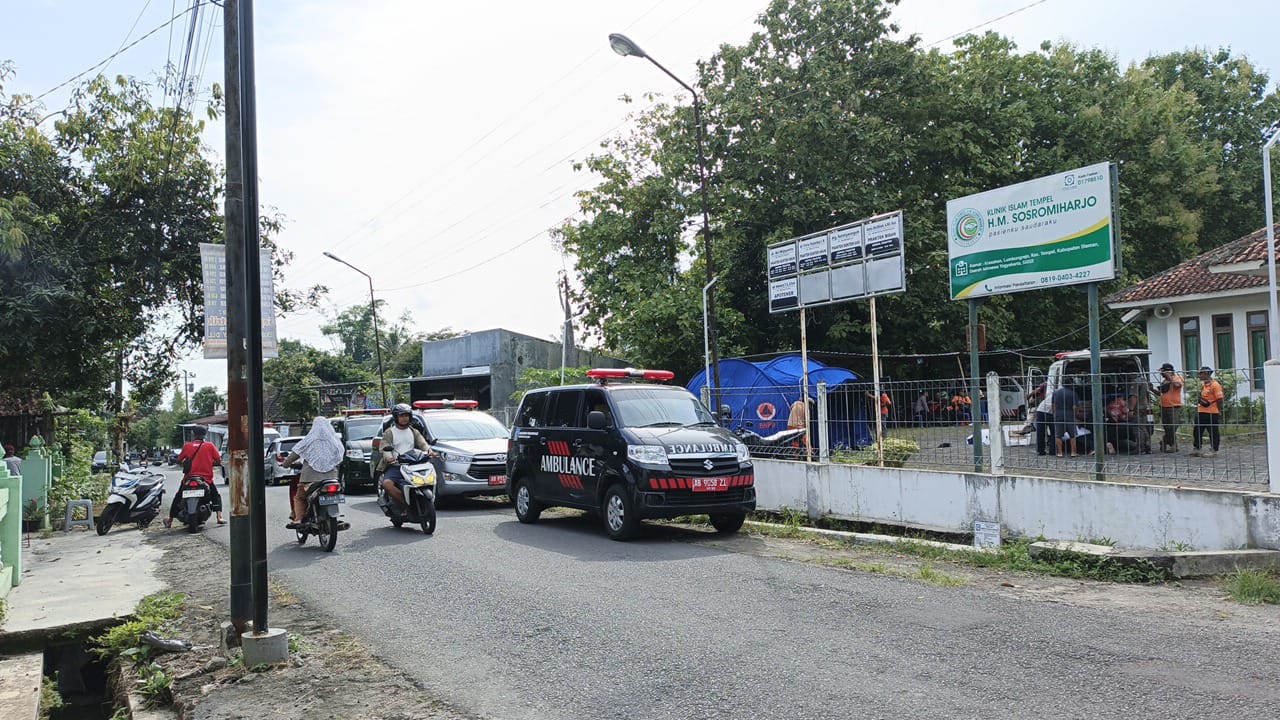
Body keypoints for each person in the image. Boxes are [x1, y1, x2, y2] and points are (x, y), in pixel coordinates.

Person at [285, 417, 345, 529]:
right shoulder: (335, 440)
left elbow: (295, 453)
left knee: (300, 498)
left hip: (310, 480)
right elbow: (340, 456)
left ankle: (298, 520)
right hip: (332, 478)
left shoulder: (309, 439)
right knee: (333, 495)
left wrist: (286, 464)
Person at [166, 425, 224, 527]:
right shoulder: (210, 446)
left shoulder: (187, 446)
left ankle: (170, 520)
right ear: (204, 435)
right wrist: (211, 463)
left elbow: (179, 460)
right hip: (206, 479)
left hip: (189, 478)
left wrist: (185, 462)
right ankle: (219, 517)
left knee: (178, 497)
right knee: (215, 496)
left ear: (193, 434)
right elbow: (218, 460)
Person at [378, 403, 434, 506]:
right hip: (396, 466)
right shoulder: (389, 432)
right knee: (387, 484)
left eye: (406, 415)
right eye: (401, 416)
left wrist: (429, 451)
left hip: (413, 466)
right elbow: (384, 448)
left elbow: (422, 444)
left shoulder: (414, 431)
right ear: (396, 417)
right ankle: (404, 504)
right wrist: (389, 458)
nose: (404, 418)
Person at [1190, 366, 1224, 458]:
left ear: (1207, 374)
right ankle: (1197, 448)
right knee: (1197, 431)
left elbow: (1220, 399)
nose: (1199, 375)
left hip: (1212, 412)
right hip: (1201, 411)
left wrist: (1219, 410)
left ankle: (1214, 450)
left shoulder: (1215, 385)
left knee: (1213, 432)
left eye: (1201, 373)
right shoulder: (1204, 385)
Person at [1156, 363, 1184, 453]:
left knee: (1173, 426)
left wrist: (1170, 377)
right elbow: (1161, 393)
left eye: (1163, 372)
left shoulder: (1177, 378)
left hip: (1174, 407)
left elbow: (1177, 385)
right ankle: (1172, 444)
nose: (1162, 374)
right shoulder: (1164, 381)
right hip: (1164, 406)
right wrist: (1152, 389)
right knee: (1167, 427)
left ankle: (1166, 441)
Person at [1052, 382, 1079, 458]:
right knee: (1072, 435)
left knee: (1058, 435)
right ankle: (1073, 452)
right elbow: (1075, 406)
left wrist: (1055, 414)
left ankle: (1060, 453)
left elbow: (1053, 405)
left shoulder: (1056, 393)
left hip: (1058, 414)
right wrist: (1076, 414)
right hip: (1069, 414)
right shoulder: (1073, 393)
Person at [1031, 382, 1054, 456]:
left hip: (1041, 410)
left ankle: (1041, 451)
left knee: (1041, 432)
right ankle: (1051, 451)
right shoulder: (1059, 394)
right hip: (1046, 412)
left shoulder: (1054, 392)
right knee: (1053, 432)